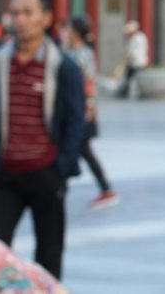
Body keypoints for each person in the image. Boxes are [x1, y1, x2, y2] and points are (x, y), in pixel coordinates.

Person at [0, 0, 85, 279]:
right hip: (4, 176)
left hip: (46, 172)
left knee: (49, 256)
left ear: (46, 19)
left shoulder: (63, 67)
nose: (20, 20)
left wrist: (62, 167)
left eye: (27, 12)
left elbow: (75, 121)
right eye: (15, 13)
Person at [63, 15, 119, 210]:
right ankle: (106, 189)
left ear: (75, 33)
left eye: (67, 28)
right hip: (84, 111)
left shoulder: (79, 55)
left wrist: (84, 111)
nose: (64, 32)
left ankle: (106, 190)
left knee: (75, 151)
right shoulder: (79, 52)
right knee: (83, 152)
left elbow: (83, 86)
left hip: (80, 112)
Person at [118, 20, 148, 99]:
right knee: (128, 78)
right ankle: (125, 92)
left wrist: (128, 56)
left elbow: (135, 52)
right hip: (132, 63)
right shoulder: (131, 39)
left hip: (138, 62)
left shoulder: (139, 38)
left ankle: (140, 92)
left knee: (138, 79)